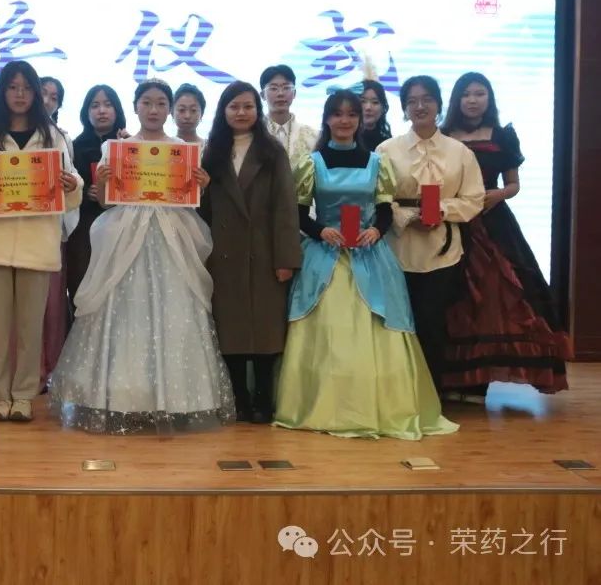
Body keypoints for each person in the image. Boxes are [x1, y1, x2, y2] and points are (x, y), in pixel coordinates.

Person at [49, 79, 235, 434]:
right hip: (126, 235)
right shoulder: (116, 148)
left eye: (161, 103)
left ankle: (176, 398)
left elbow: (191, 200)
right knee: (123, 309)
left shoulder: (182, 149)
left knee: (174, 309)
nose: (153, 110)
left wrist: (202, 184)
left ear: (169, 109)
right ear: (135, 106)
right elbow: (107, 202)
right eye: (147, 102)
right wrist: (104, 181)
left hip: (172, 235)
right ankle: (120, 397)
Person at [274, 89, 458, 439]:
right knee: (329, 332)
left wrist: (376, 230)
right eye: (338, 114)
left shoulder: (377, 162)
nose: (344, 120)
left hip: (369, 255)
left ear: (359, 120)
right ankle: (322, 407)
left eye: (351, 114)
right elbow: (297, 213)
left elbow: (386, 209)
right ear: (328, 119)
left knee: (379, 327)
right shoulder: (311, 163)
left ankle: (381, 407)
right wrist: (321, 230)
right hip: (325, 256)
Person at [0, 60, 82, 423]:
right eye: (13, 87)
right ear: (2, 92)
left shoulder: (54, 135)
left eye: (26, 87)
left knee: (30, 326)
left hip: (37, 241)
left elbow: (71, 181)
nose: (20, 94)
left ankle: (24, 396)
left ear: (36, 93)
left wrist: (72, 185)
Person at [439, 72, 572, 399]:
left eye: (479, 93)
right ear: (456, 100)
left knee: (494, 300)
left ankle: (480, 380)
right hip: (453, 222)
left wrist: (498, 194)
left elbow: (513, 184)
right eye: (466, 94)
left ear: (489, 98)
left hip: (493, 225)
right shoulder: (442, 136)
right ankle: (452, 379)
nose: (472, 100)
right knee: (452, 300)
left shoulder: (503, 135)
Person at [377, 75, 485, 395]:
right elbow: (378, 198)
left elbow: (474, 199)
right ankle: (397, 395)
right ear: (404, 108)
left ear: (439, 104)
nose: (420, 106)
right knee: (397, 325)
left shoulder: (459, 152)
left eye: (427, 99)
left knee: (433, 324)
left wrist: (441, 211)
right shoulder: (387, 150)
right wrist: (407, 217)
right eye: (412, 101)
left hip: (442, 251)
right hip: (397, 249)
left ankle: (431, 396)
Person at [200, 81, 300, 424]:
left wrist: (286, 259)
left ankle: (264, 400)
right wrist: (201, 189)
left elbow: (286, 209)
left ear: (258, 111)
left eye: (248, 106)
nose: (241, 113)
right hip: (223, 254)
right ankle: (239, 399)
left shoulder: (272, 152)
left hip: (264, 252)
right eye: (234, 107)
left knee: (266, 331)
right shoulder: (211, 153)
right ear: (223, 112)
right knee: (230, 332)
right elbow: (203, 211)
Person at [65, 85, 127, 309]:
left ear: (117, 110)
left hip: (121, 225)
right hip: (84, 226)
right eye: (95, 105)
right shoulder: (73, 146)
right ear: (86, 112)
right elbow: (65, 186)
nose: (102, 110)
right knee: (82, 281)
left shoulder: (129, 145)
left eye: (108, 105)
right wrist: (84, 193)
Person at [37, 75, 76, 389]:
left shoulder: (62, 137)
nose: (47, 101)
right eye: (43, 93)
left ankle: (51, 370)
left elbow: (71, 182)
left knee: (52, 306)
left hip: (51, 230)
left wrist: (71, 185)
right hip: (16, 230)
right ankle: (25, 371)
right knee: (23, 308)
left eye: (54, 97)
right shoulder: (1, 132)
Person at [260, 64, 319, 169]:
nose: (280, 93)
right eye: (273, 88)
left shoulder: (314, 136)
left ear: (294, 93)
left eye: (286, 88)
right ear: (262, 95)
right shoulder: (253, 134)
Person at [359, 79, 393, 152]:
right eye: (363, 101)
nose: (368, 107)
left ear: (383, 108)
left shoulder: (389, 143)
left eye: (375, 102)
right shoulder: (345, 140)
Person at [172, 83, 206, 149]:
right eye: (181, 110)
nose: (187, 116)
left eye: (193, 110)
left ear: (202, 113)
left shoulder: (209, 148)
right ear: (172, 113)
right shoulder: (163, 146)